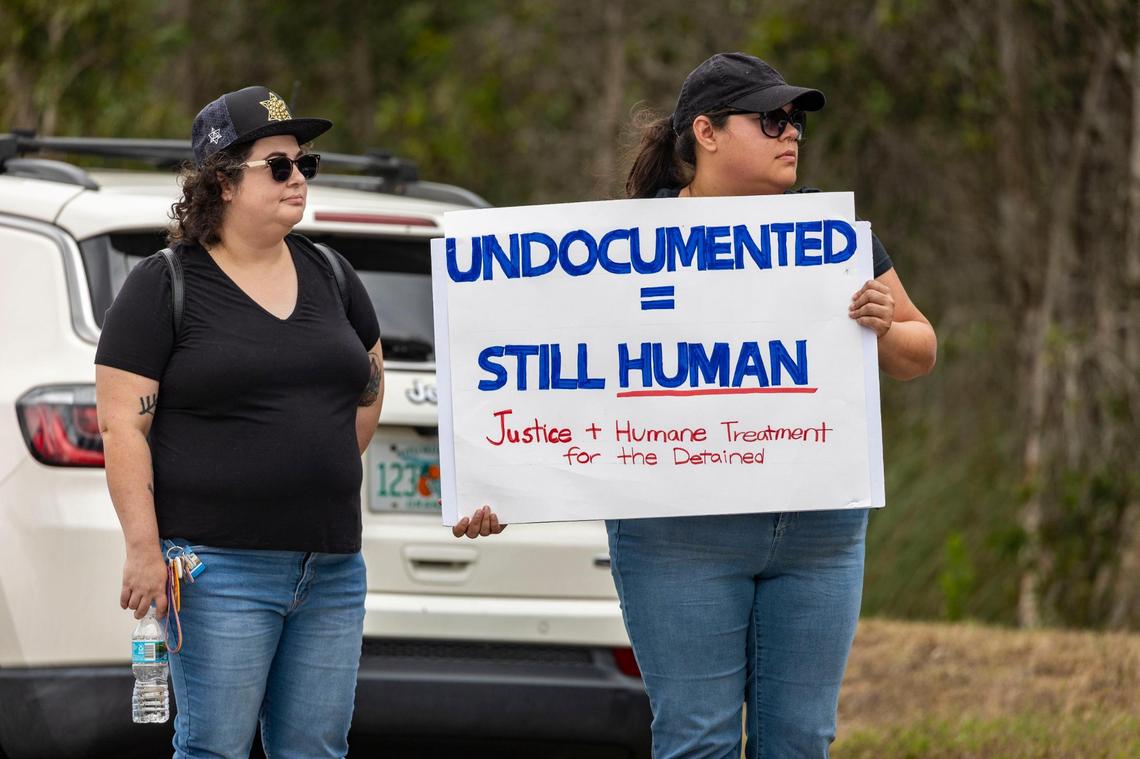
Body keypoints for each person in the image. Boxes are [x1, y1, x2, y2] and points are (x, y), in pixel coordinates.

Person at [457, 53, 937, 759]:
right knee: (698, 740)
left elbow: (920, 349)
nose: (792, 133)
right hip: (681, 534)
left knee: (801, 740)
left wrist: (882, 323)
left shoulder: (828, 235)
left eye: (796, 120)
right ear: (706, 134)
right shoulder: (617, 244)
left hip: (817, 532)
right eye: (772, 117)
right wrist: (498, 482)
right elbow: (550, 374)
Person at [96, 85, 384, 759]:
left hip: (332, 566)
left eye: (304, 164)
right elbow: (122, 427)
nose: (297, 179)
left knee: (316, 749)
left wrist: (315, 468)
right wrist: (144, 549)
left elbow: (369, 388)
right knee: (214, 748)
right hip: (215, 568)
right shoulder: (164, 285)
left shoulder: (334, 274)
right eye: (277, 165)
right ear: (222, 182)